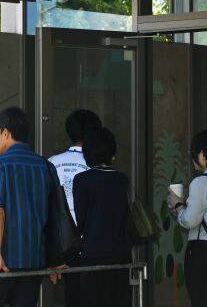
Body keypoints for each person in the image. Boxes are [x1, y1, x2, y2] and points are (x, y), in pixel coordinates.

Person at [0, 106, 59, 307]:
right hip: (35, 259)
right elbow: (54, 215)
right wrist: (55, 259)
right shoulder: (45, 165)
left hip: (5, 260)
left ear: (6, 133)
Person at [167, 129, 207, 307]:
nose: (192, 157)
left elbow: (190, 220)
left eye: (193, 153)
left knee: (202, 299)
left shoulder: (201, 182)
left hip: (203, 251)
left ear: (202, 154)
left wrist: (178, 205)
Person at [71, 127, 132, 303]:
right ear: (111, 153)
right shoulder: (122, 180)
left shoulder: (82, 180)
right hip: (121, 254)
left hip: (93, 253)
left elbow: (80, 219)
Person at [48, 109, 100, 307]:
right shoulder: (95, 164)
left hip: (61, 242)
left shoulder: (52, 162)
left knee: (70, 296)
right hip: (89, 241)